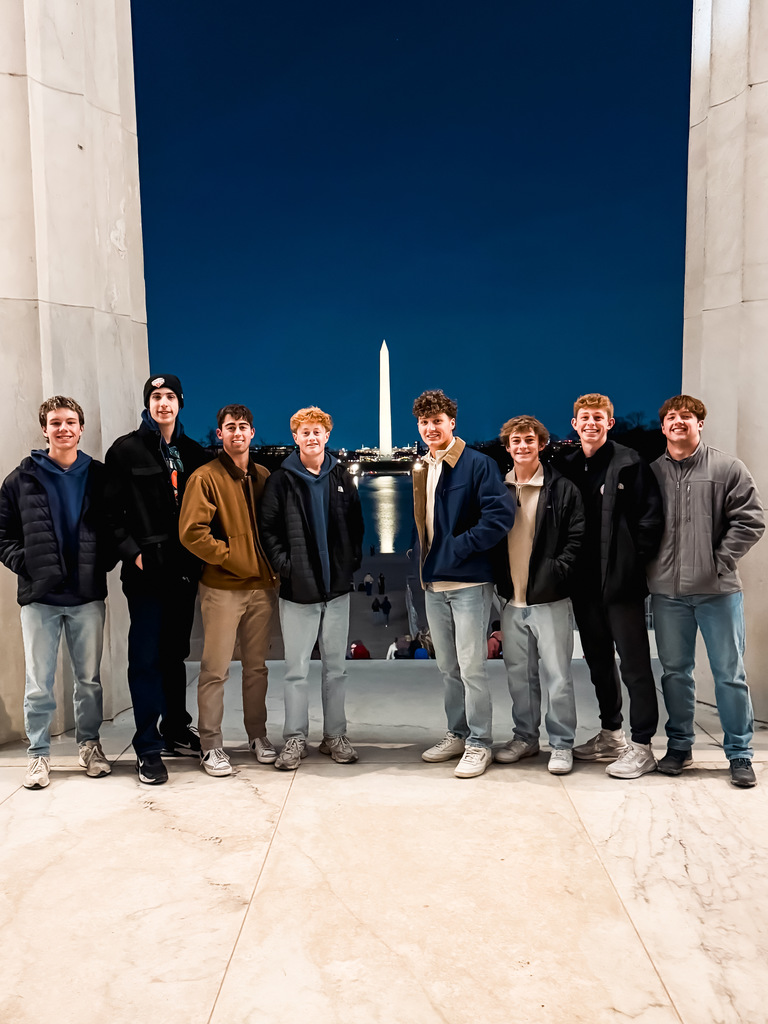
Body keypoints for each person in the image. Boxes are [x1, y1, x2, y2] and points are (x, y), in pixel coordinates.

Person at [648, 395, 765, 788]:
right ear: (663, 427)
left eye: (687, 416)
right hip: (667, 593)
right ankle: (680, 746)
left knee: (729, 674)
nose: (678, 422)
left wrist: (719, 562)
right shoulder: (651, 473)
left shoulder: (728, 467)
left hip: (718, 591)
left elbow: (750, 520)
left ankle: (740, 754)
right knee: (675, 673)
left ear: (700, 423)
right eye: (671, 418)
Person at [0, 397, 114, 790]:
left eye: (70, 422)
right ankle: (38, 755)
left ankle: (90, 745)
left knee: (88, 681)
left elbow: (114, 526)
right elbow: (3, 534)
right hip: (40, 597)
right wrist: (26, 564)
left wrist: (104, 561)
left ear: (81, 428)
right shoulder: (21, 479)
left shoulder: (99, 476)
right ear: (44, 429)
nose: (63, 428)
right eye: (55, 423)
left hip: (86, 594)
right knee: (38, 682)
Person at [104, 374, 210, 785]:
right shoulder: (126, 450)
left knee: (175, 654)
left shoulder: (194, 454)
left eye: (169, 396)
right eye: (155, 396)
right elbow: (109, 514)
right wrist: (133, 553)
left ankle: (176, 728)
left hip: (183, 571)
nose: (162, 403)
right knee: (145, 658)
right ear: (147, 403)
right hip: (147, 574)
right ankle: (147, 746)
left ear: (180, 402)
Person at [553, 393, 664, 779]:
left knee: (634, 666)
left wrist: (632, 566)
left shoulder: (630, 463)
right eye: (584, 417)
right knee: (598, 663)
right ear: (574, 422)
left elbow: (650, 521)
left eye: (598, 417)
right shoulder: (565, 465)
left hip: (621, 584)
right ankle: (611, 733)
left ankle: (643, 744)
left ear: (610, 423)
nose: (591, 423)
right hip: (583, 586)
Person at [412, 389, 515, 778]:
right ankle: (457, 732)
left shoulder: (478, 464)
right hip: (433, 582)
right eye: (424, 422)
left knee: (472, 668)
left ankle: (479, 742)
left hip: (469, 581)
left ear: (452, 423)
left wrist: (459, 548)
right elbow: (423, 523)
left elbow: (499, 517)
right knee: (448, 667)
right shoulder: (422, 466)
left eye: (437, 421)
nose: (430, 428)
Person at [259, 406, 364, 770]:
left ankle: (334, 735)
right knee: (296, 670)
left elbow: (355, 523)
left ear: (327, 436)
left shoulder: (340, 476)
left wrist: (350, 562)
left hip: (336, 589)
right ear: (296, 437)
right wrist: (286, 568)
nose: (312, 437)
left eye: (318, 431)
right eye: (305, 432)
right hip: (298, 590)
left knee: (336, 668)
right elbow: (268, 530)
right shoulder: (280, 480)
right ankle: (294, 738)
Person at [179, 404, 279, 777]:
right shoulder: (205, 478)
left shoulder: (264, 475)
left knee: (257, 669)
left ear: (253, 433)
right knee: (215, 670)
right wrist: (231, 556)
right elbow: (191, 533)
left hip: (261, 588)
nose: (237, 433)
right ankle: (211, 744)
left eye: (243, 427)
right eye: (230, 427)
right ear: (219, 434)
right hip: (222, 587)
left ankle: (258, 735)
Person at [493, 416, 584, 775]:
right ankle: (526, 737)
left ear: (541, 444)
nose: (522, 446)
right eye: (516, 441)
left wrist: (557, 572)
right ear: (508, 447)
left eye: (529, 440)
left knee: (559, 675)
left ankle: (562, 743)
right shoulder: (498, 488)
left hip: (550, 597)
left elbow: (577, 538)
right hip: (511, 600)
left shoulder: (562, 488)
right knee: (520, 676)